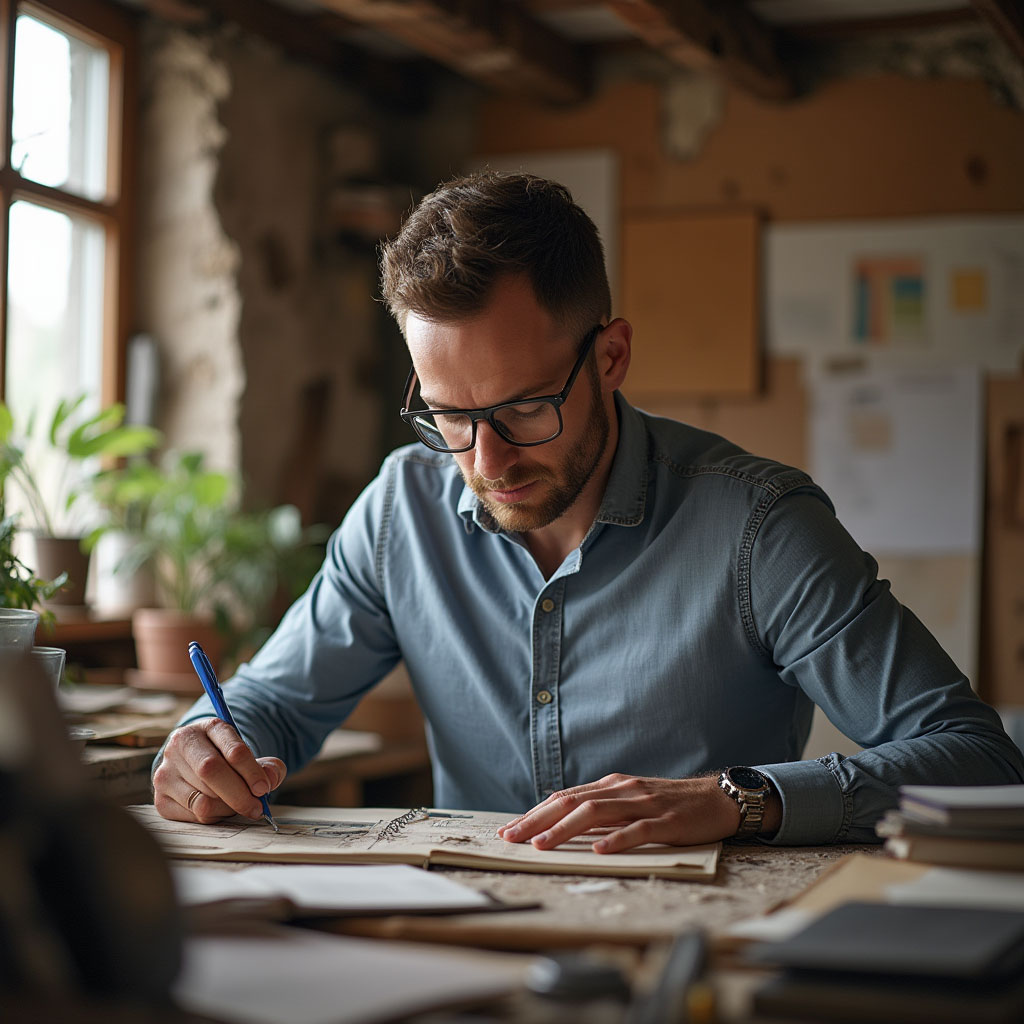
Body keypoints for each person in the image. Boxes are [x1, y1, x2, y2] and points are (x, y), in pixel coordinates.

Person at [153, 172, 1024, 851]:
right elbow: (271, 703)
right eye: (450, 415)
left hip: (695, 938)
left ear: (611, 357)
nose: (486, 462)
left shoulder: (761, 528)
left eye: (525, 408)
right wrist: (203, 746)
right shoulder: (400, 511)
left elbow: (980, 760)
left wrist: (738, 800)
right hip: (466, 939)